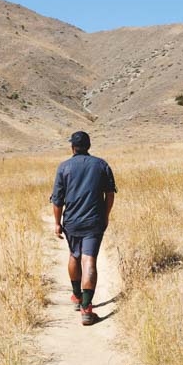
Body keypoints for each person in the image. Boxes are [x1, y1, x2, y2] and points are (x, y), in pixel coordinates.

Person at [50, 130, 117, 326]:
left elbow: (57, 200)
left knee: (74, 255)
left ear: (72, 147)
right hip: (94, 221)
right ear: (89, 146)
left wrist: (57, 223)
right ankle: (87, 309)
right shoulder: (101, 165)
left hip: (72, 221)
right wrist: (105, 215)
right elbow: (110, 194)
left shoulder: (64, 167)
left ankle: (77, 297)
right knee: (90, 260)